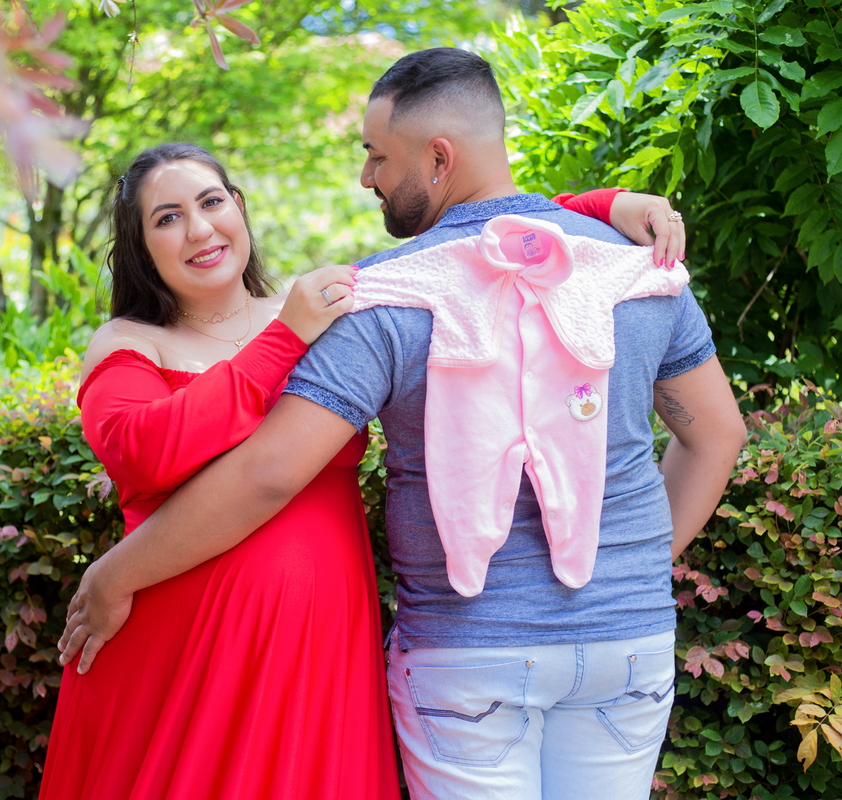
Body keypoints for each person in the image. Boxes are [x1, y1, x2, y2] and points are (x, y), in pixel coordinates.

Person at [39, 142, 660, 799]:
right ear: (141, 246)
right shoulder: (132, 342)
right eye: (166, 218)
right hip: (183, 655)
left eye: (211, 201)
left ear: (239, 208)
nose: (198, 228)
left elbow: (471, 245)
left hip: (316, 647)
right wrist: (283, 340)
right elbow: (146, 450)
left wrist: (601, 206)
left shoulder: (319, 305)